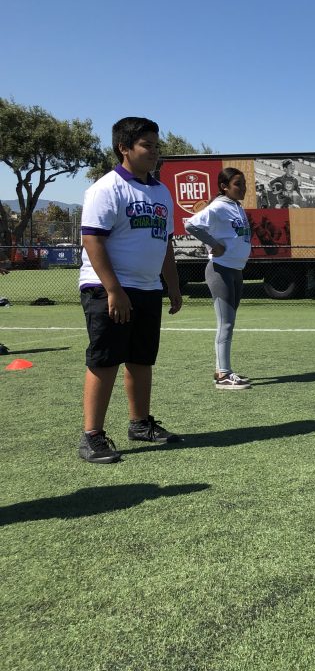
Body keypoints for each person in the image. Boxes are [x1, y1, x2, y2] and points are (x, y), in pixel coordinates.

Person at [77, 117, 183, 464]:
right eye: (146, 146)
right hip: (107, 288)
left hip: (148, 287)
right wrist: (113, 290)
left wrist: (173, 286)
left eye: (156, 145)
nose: (154, 152)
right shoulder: (105, 188)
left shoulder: (160, 191)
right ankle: (91, 436)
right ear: (124, 148)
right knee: (105, 360)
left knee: (141, 358)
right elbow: (92, 239)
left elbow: (165, 243)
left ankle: (140, 423)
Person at [183, 167, 254, 390]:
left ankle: (221, 369)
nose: (243, 188)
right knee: (226, 323)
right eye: (237, 184)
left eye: (243, 184)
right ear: (224, 187)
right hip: (220, 270)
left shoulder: (235, 207)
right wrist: (213, 244)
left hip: (235, 270)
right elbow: (190, 224)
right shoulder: (218, 207)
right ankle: (224, 375)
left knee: (229, 323)